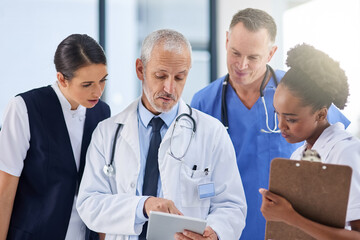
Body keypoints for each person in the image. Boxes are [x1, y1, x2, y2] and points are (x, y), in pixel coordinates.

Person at [190, 8, 350, 239]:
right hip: (225, 228)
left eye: (253, 57)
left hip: (292, 224)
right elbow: (193, 175)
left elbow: (336, 150)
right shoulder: (203, 102)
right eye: (235, 53)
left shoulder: (298, 90)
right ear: (226, 40)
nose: (241, 65)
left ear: (271, 53)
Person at [76, 29, 247, 240]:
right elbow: (89, 203)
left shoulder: (212, 133)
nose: (169, 88)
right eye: (161, 76)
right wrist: (143, 206)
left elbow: (232, 205)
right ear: (140, 69)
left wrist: (216, 233)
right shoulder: (108, 132)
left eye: (179, 77)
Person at [0, 34, 110, 240]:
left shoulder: (102, 113)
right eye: (87, 84)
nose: (98, 91)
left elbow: (103, 189)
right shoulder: (24, 108)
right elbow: (4, 191)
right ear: (62, 79)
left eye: (102, 80)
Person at [259, 43, 360, 239]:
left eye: (291, 119)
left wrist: (289, 217)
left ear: (321, 113)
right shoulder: (299, 155)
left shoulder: (345, 152)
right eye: (277, 114)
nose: (281, 125)